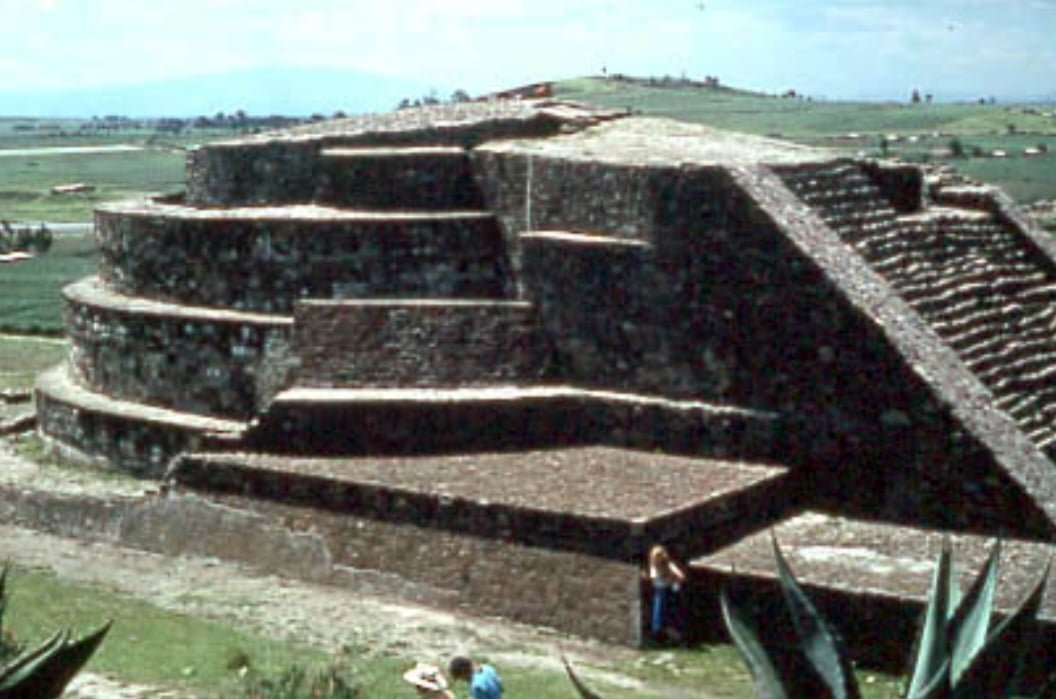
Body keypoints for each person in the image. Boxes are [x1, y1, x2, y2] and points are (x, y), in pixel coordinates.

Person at [647, 544, 687, 642]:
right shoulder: (654, 566)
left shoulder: (668, 565)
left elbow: (681, 577)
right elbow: (654, 577)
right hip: (660, 591)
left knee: (668, 615)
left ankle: (674, 636)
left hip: (668, 591)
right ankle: (662, 636)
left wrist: (673, 578)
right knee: (660, 616)